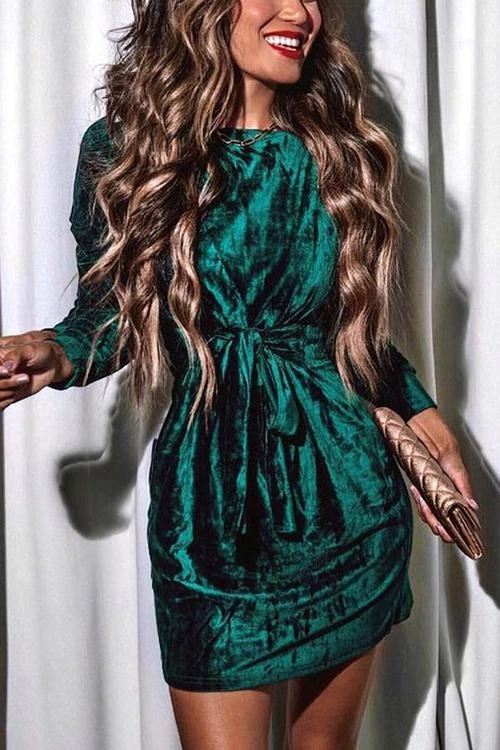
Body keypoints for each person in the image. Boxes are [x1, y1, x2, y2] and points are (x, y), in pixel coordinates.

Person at [0, 1, 480, 748]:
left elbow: (351, 334)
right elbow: (112, 318)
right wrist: (55, 354)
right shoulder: (126, 148)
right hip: (210, 515)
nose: (301, 13)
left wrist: (420, 411)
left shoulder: (339, 150)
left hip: (349, 496)